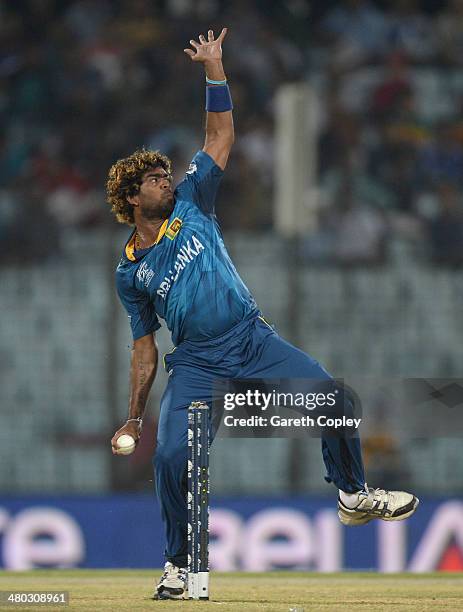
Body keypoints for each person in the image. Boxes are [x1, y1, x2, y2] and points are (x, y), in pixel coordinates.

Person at [106, 28, 419, 601]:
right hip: (198, 365)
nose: (164, 179)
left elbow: (219, 134)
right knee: (174, 457)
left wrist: (215, 70)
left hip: (250, 339)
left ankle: (352, 495)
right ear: (131, 198)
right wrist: (132, 417)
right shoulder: (131, 271)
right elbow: (144, 345)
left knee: (334, 397)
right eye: (152, 179)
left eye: (163, 174)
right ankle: (179, 568)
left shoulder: (192, 200)